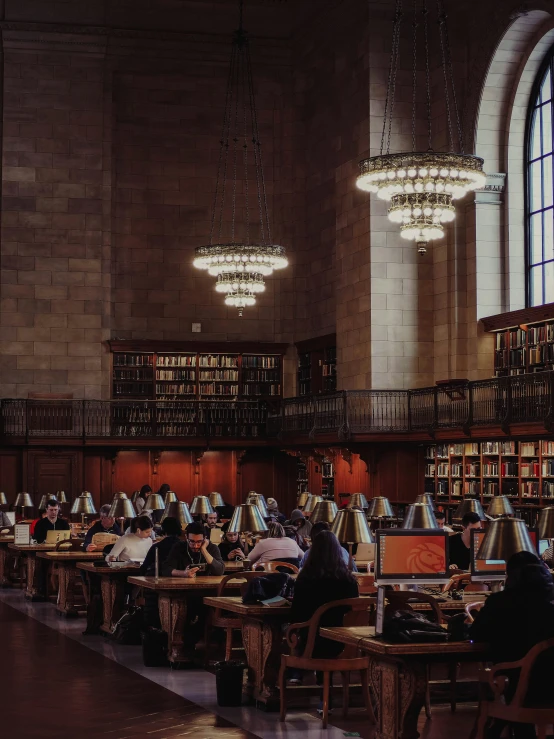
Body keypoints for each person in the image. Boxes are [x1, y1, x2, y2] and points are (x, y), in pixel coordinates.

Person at [470, 552, 554, 739]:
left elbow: (476, 635)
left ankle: (499, 729)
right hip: (550, 686)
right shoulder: (550, 607)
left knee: (514, 684)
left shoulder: (499, 603)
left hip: (515, 686)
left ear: (510, 576)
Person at [288, 530, 360, 701]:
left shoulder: (305, 580)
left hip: (313, 644)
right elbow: (354, 611)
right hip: (345, 644)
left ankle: (295, 675)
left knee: (288, 630)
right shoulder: (349, 581)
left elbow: (296, 616)